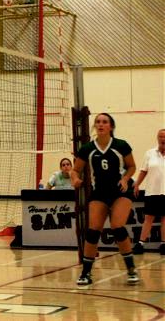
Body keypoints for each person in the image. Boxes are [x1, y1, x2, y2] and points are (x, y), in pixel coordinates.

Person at [71, 113, 139, 285]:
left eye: (104, 122)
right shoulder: (87, 148)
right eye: (98, 122)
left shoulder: (120, 145)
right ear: (95, 126)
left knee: (117, 226)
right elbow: (75, 170)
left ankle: (131, 269)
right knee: (93, 231)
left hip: (120, 191)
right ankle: (86, 273)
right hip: (99, 192)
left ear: (111, 126)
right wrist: (75, 179)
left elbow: (132, 166)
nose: (101, 124)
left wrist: (125, 179)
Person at [132, 128, 165, 255]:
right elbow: (143, 171)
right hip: (152, 191)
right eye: (160, 136)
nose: (163, 139)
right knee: (148, 218)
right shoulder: (149, 153)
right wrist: (137, 184)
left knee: (164, 219)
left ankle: (163, 244)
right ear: (157, 138)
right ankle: (141, 244)